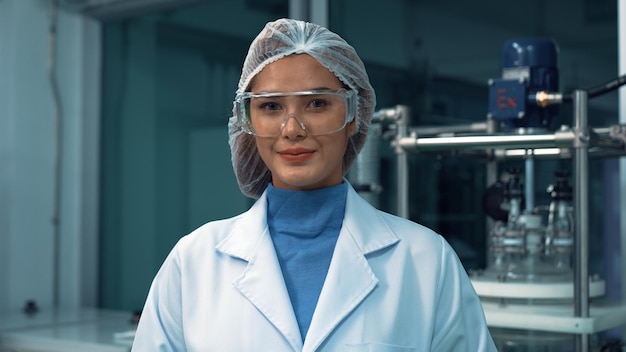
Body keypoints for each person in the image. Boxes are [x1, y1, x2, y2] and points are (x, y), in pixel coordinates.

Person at [131, 18, 497, 351]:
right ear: (247, 120)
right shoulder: (194, 262)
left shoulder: (426, 261)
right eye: (271, 106)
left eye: (317, 103)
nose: (292, 129)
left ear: (354, 114)